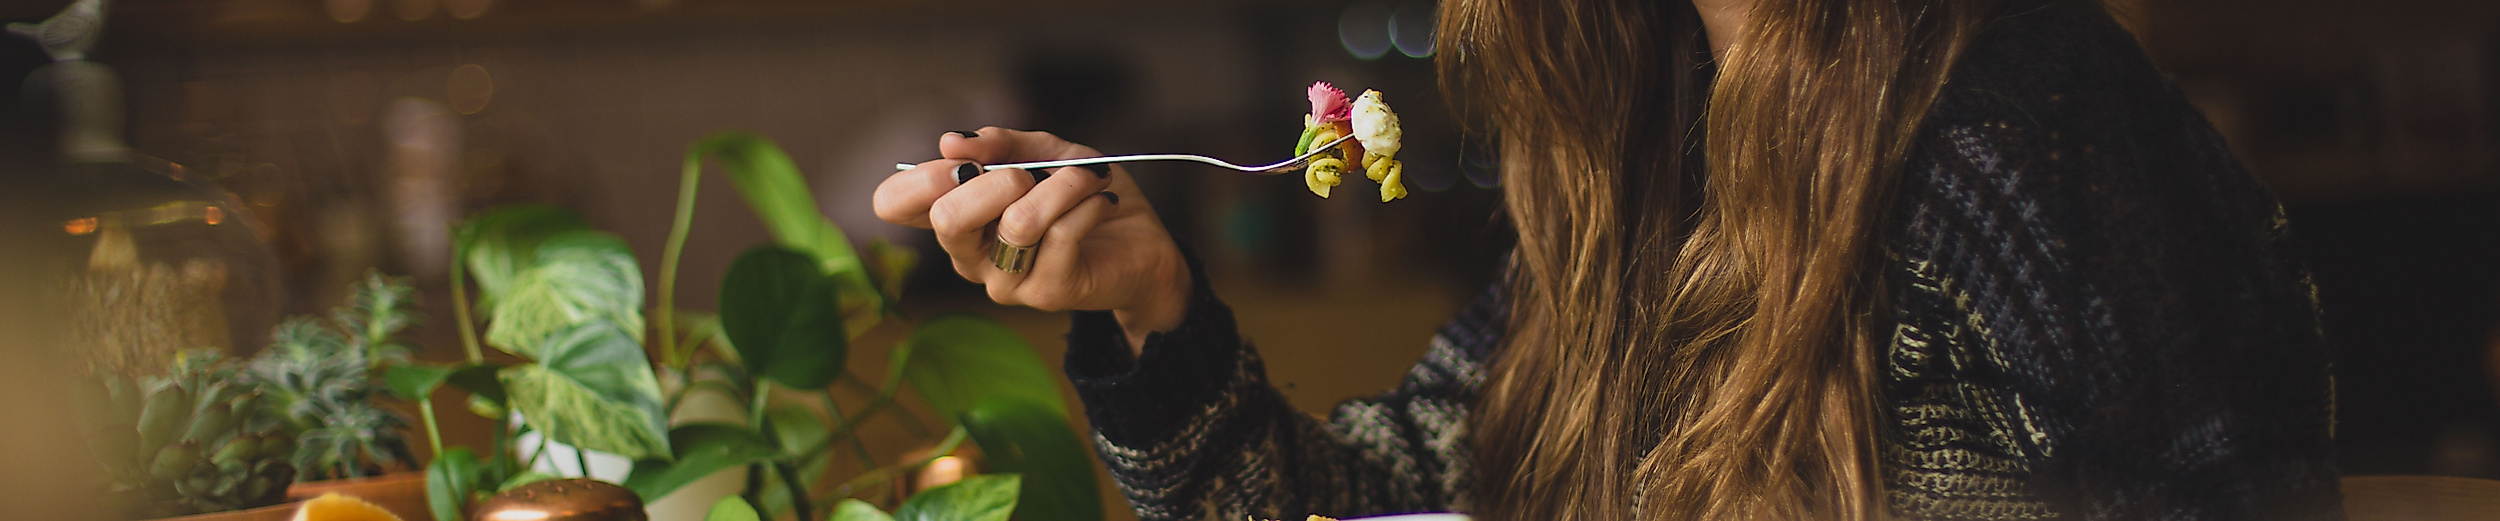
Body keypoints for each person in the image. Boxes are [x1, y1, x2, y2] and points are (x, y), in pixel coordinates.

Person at [872, 0, 2342, 518]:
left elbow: (2226, 496)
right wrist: (1151, 304)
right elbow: (1350, 501)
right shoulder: (1644, 169)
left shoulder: (2016, 112)